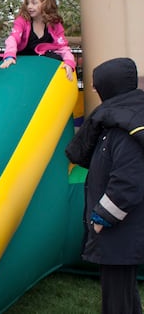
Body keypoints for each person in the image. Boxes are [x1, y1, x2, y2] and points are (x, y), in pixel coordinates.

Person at [65, 58, 144, 314]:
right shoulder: (116, 123)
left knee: (116, 298)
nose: (94, 90)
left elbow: (129, 181)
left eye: (97, 87)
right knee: (122, 291)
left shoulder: (126, 131)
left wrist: (103, 217)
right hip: (119, 231)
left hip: (120, 229)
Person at [0, 0, 75, 81]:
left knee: (57, 59)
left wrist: (69, 62)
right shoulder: (23, 20)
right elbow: (13, 38)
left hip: (42, 58)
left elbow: (62, 47)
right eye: (28, 3)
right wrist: (9, 56)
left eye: (34, 3)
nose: (29, 6)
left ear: (46, 4)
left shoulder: (54, 24)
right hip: (22, 56)